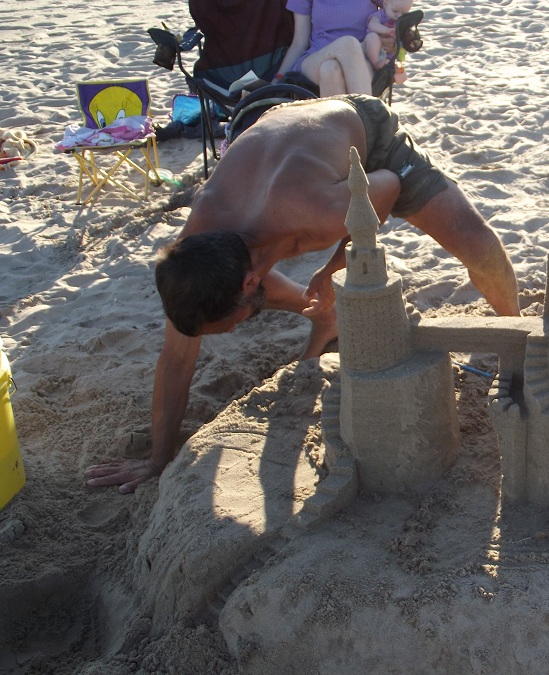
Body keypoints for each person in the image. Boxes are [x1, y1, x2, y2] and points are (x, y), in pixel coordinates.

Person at [83, 94, 520, 494]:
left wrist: (334, 268)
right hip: (289, 140)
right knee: (249, 297)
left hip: (366, 139)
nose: (230, 332)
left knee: (479, 247)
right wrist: (157, 461)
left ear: (249, 282)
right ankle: (326, 318)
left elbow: (386, 186)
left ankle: (517, 330)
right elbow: (177, 359)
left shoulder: (321, 214)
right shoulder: (195, 253)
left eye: (229, 325)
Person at [273, 0, 393, 97]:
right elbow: (299, 42)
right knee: (348, 44)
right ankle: (370, 115)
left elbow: (398, 14)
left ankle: (345, 120)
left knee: (330, 69)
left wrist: (393, 42)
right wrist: (278, 78)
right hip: (316, 58)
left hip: (361, 59)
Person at [363, 0, 413, 70]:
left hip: (390, 53)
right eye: (395, 11)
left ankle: (394, 64)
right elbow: (372, 24)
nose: (399, 15)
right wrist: (386, 30)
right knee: (372, 37)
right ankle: (376, 63)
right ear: (385, 4)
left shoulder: (400, 20)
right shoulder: (380, 15)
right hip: (372, 49)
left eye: (404, 13)